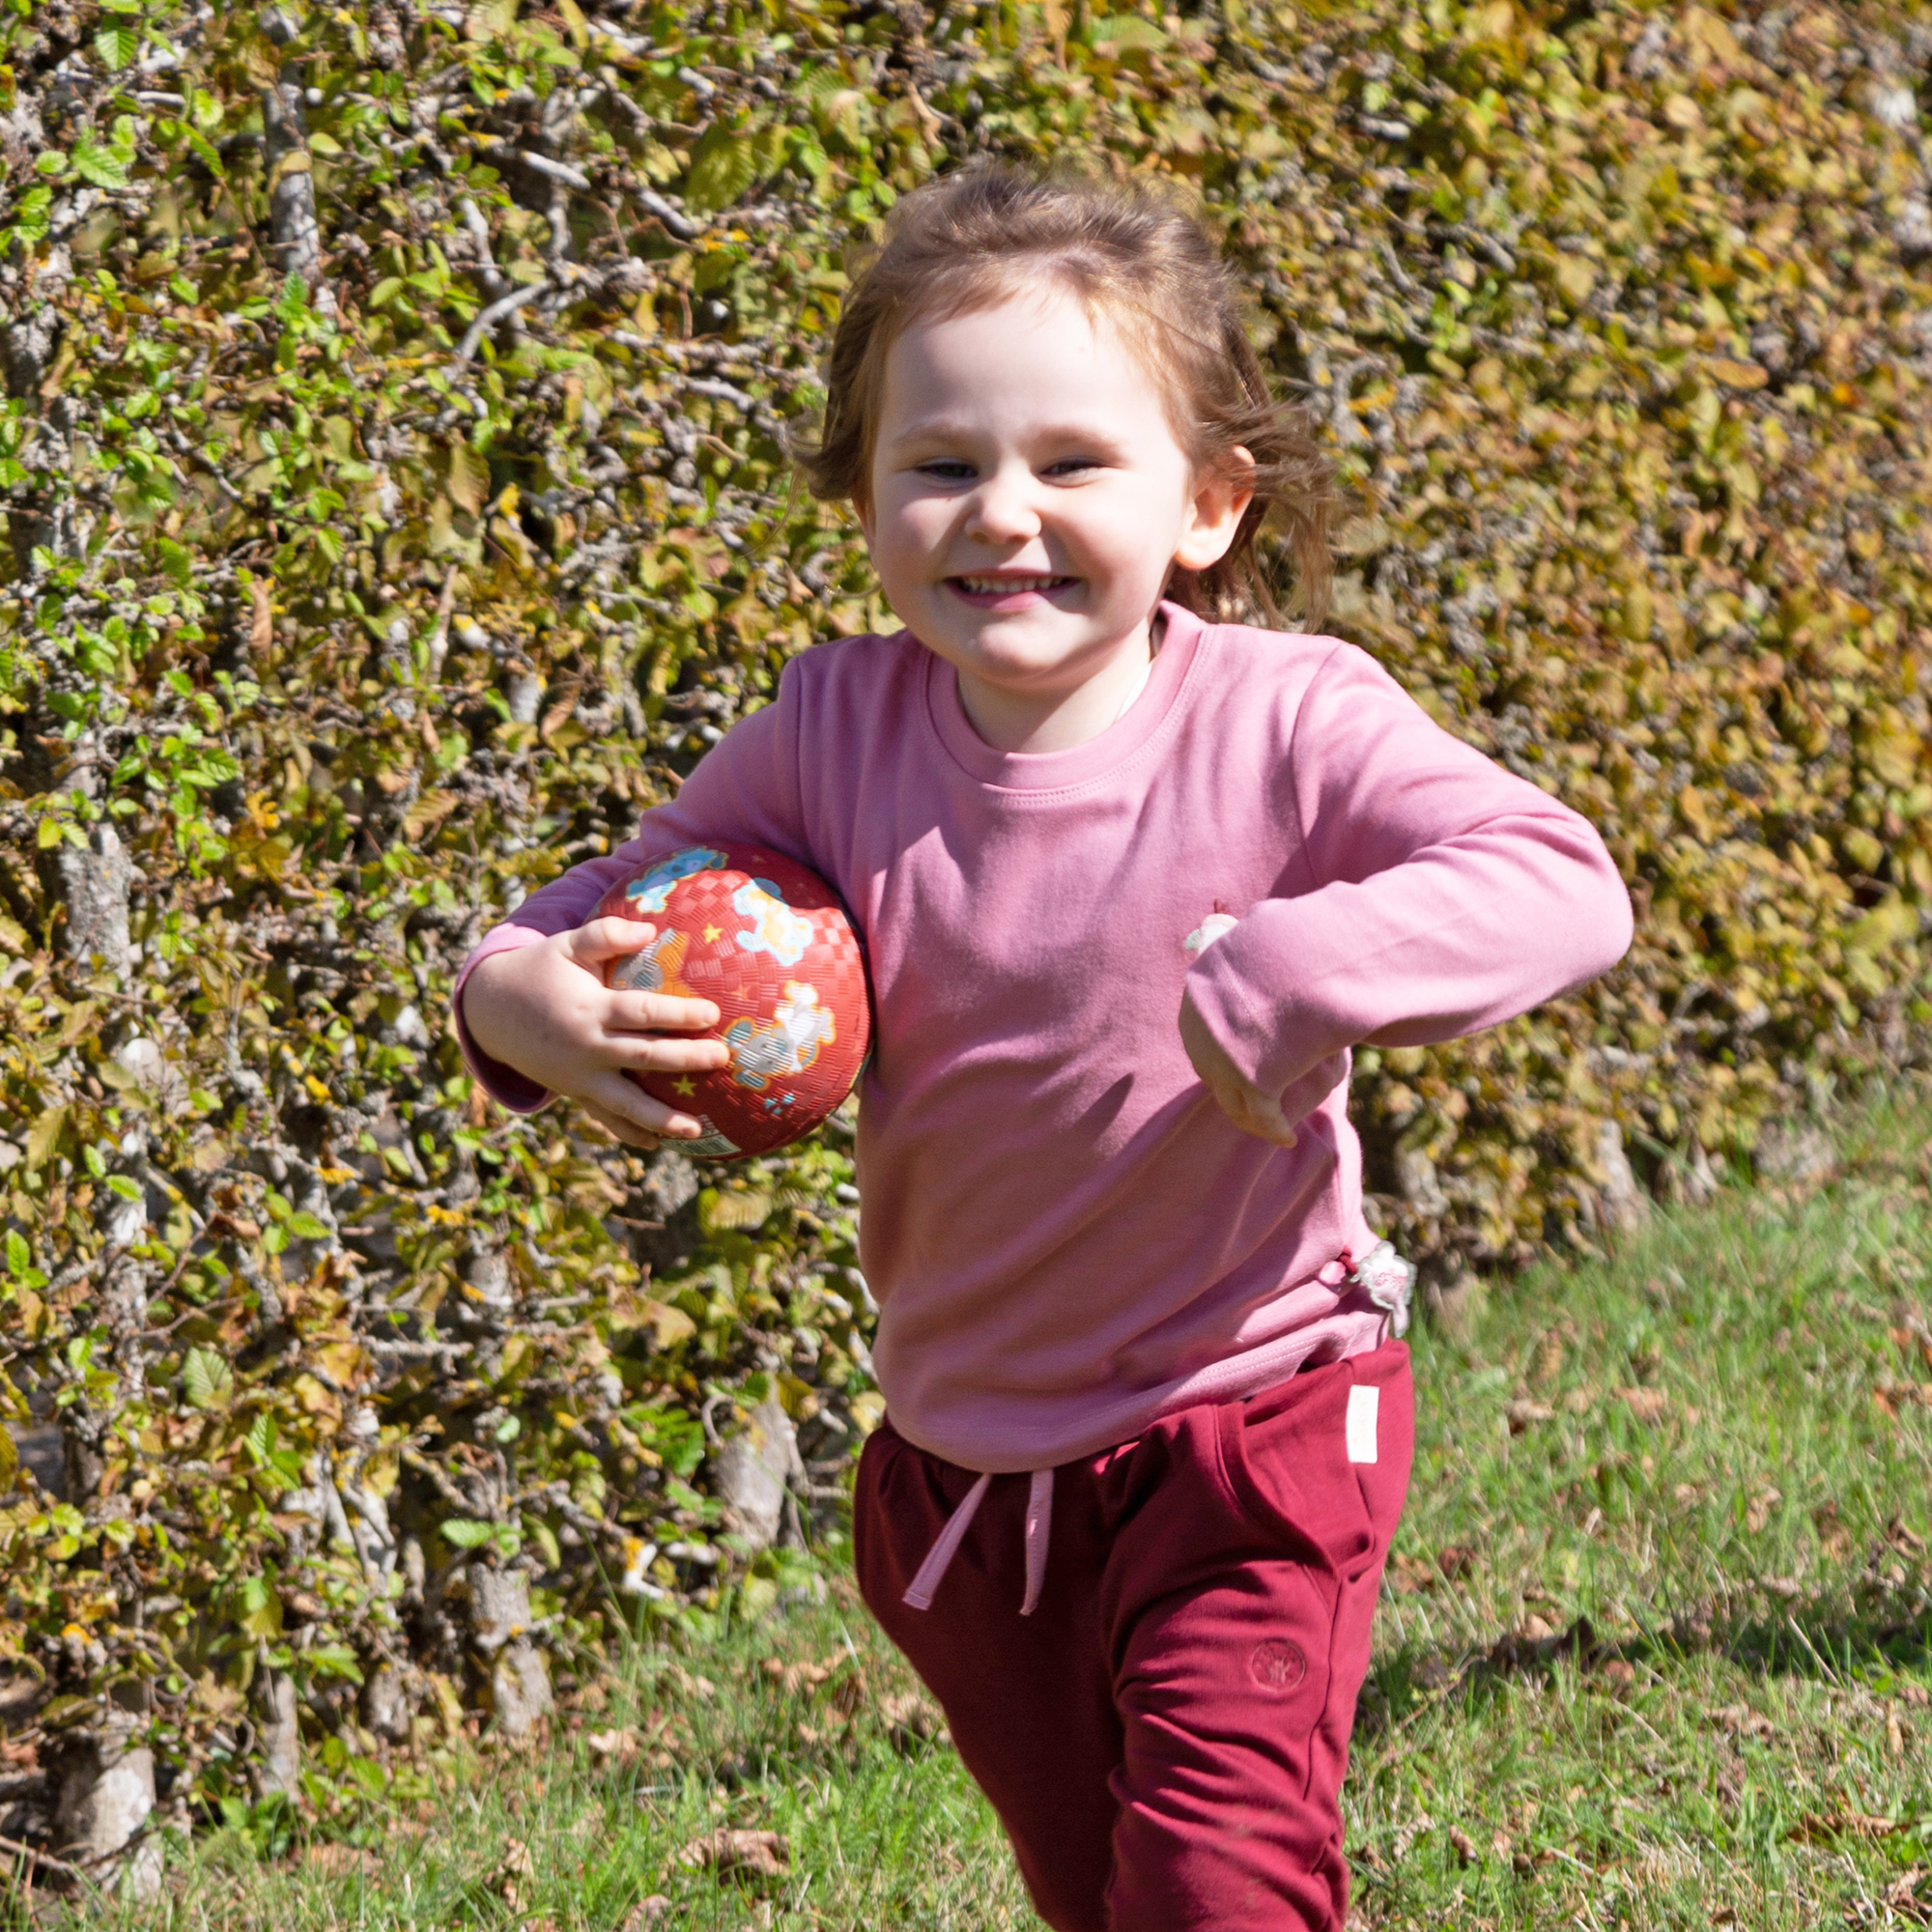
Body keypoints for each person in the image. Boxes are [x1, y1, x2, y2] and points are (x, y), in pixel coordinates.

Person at [453, 164, 1633, 1932]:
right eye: (942, 465)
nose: (1003, 511)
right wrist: (517, 998)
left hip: (1256, 1422)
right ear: (867, 497)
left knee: (1216, 1885)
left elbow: (1563, 885)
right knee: (1105, 1896)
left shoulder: (1285, 716)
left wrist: (1312, 965)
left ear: (1208, 504)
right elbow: (597, 902)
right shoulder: (829, 728)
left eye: (1074, 463)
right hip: (964, 1478)